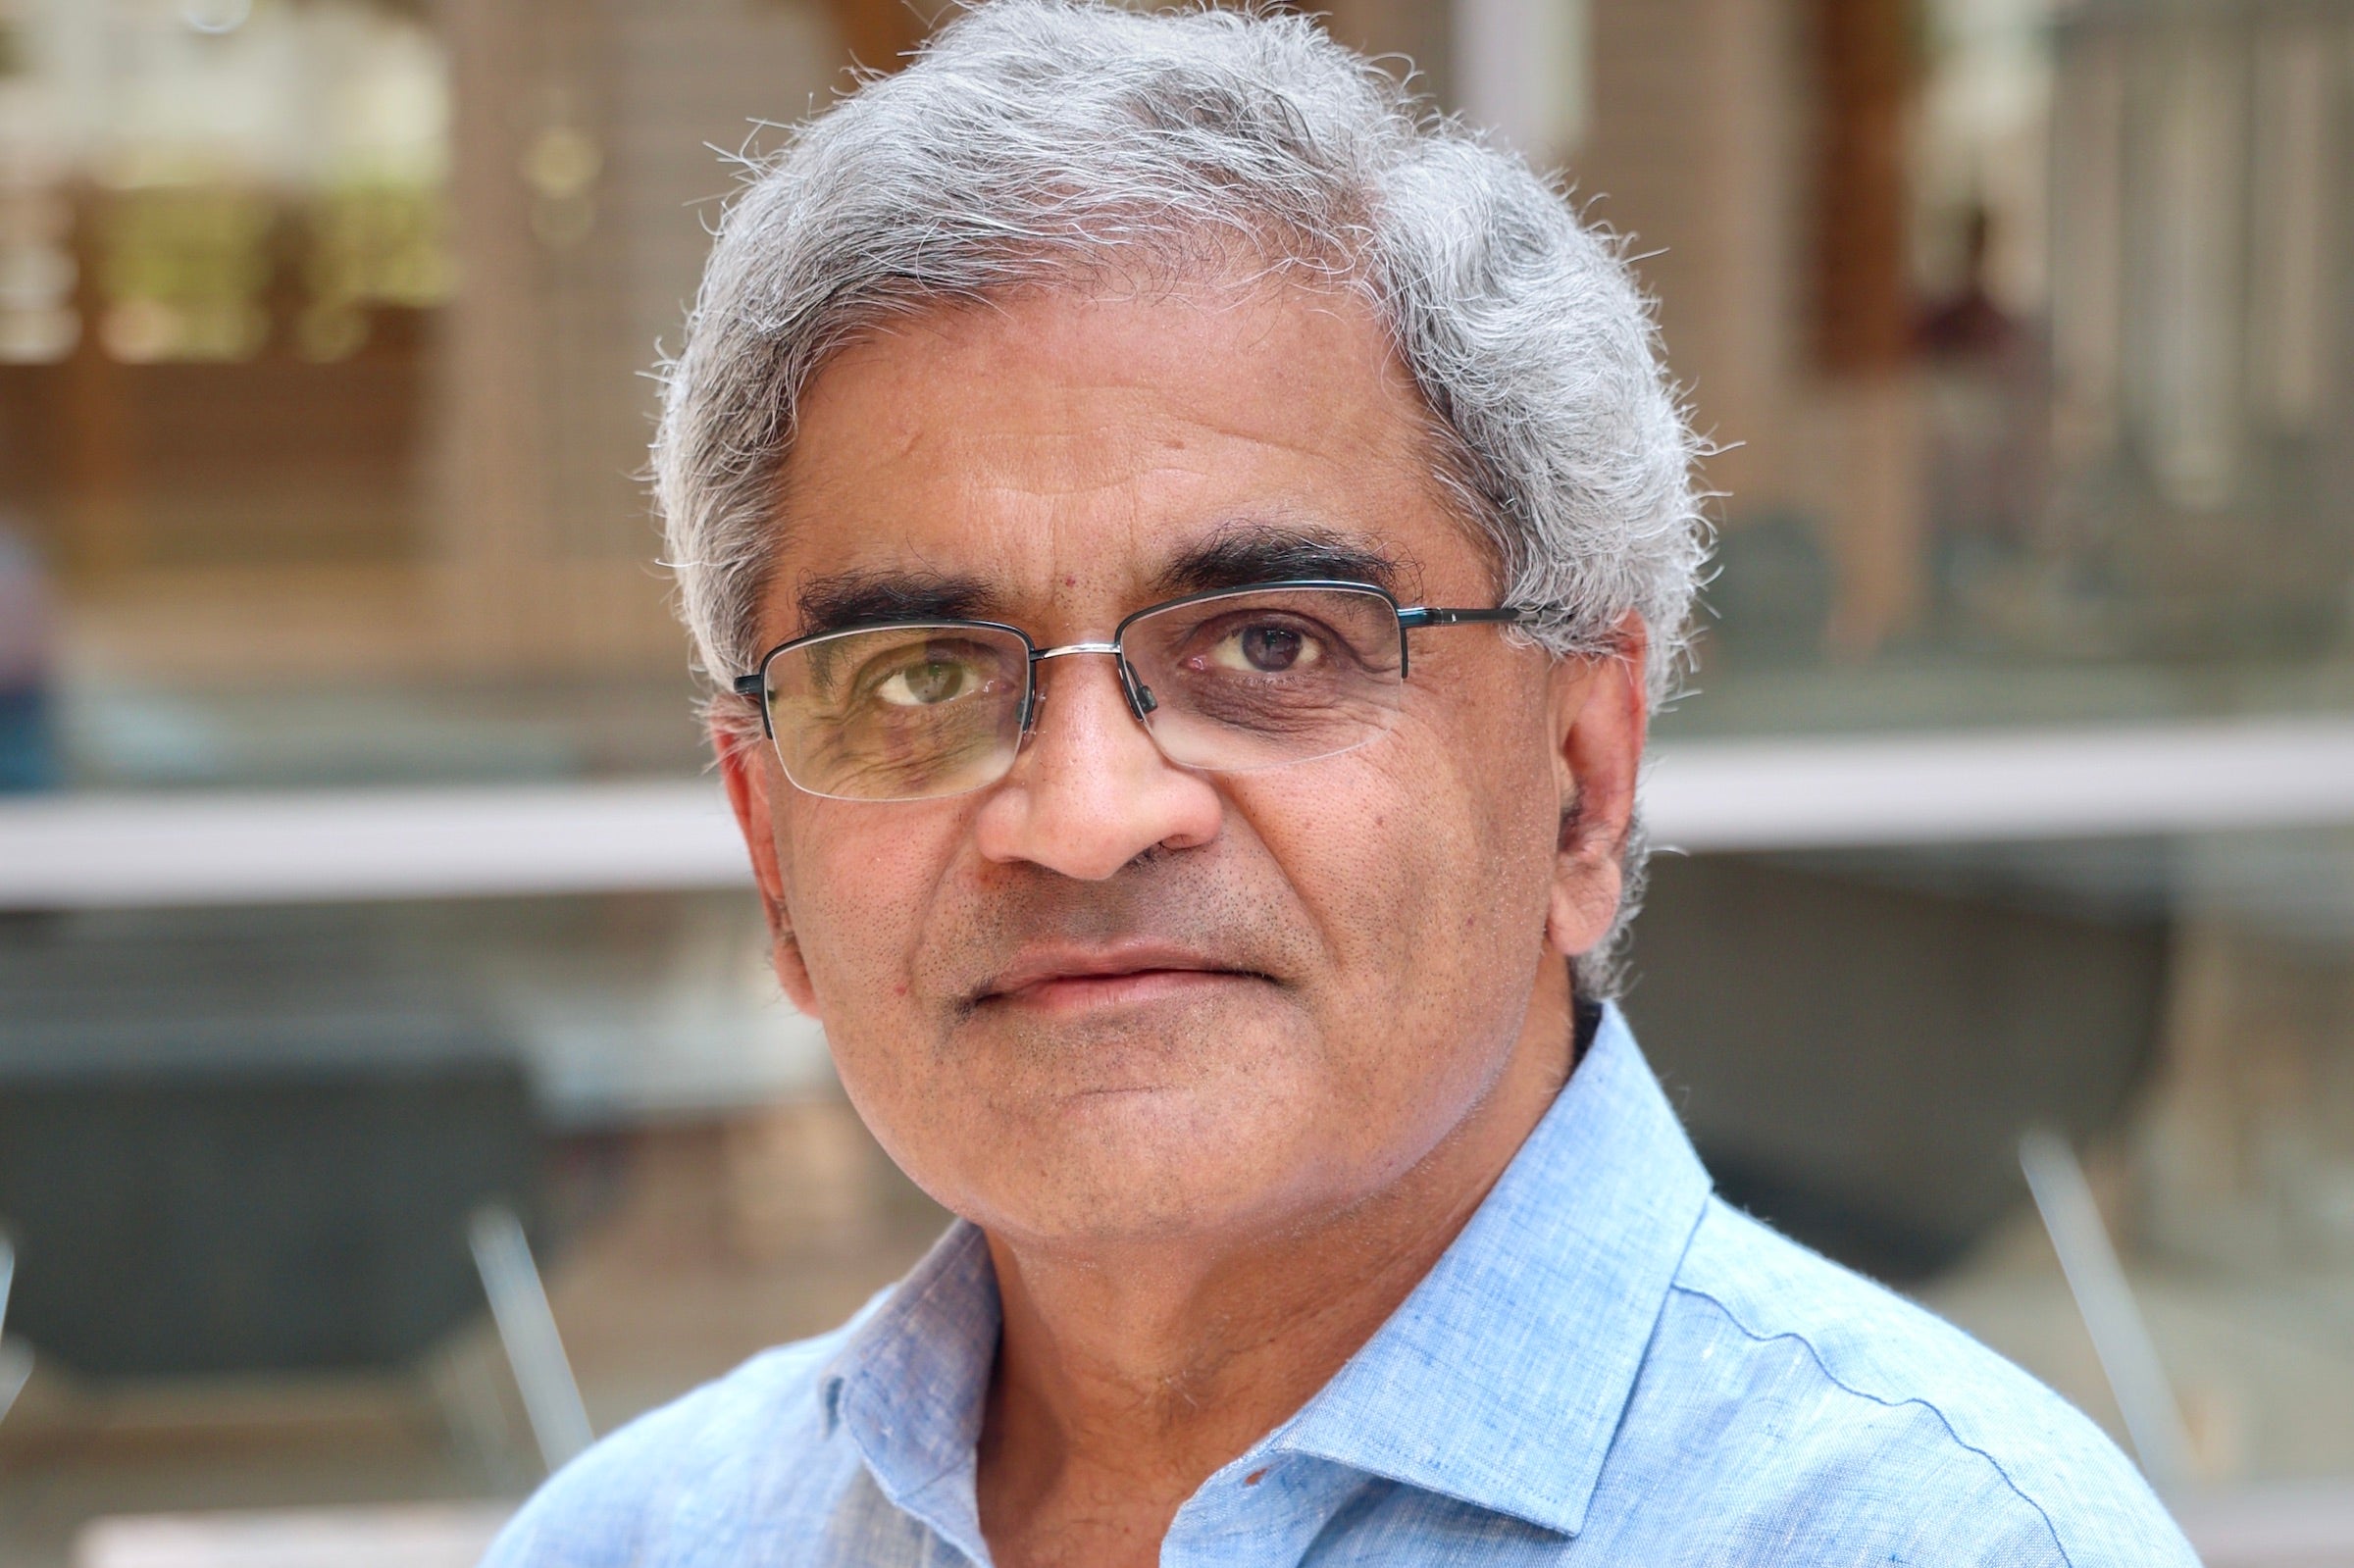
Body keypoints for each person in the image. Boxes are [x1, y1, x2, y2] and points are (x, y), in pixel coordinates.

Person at [485, 4, 2195, 1562]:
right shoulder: (643, 1540)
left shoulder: (1942, 1542)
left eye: (1273, 646)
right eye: (921, 675)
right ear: (771, 856)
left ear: (1583, 779)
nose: (1085, 815)